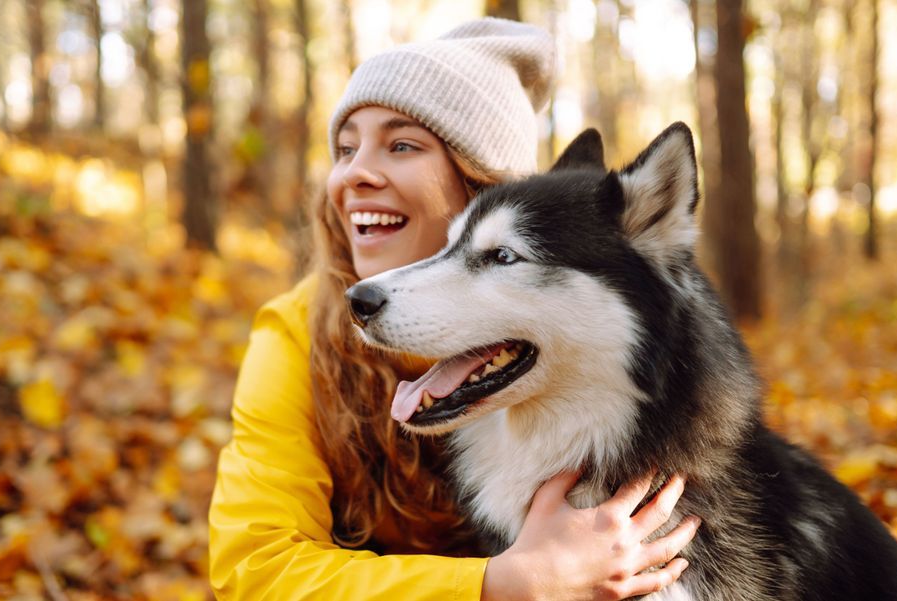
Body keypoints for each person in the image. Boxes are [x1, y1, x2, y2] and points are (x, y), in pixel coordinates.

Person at [208, 17, 700, 600]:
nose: (353, 174)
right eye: (345, 148)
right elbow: (256, 567)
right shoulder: (295, 331)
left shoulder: (562, 339)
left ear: (482, 184)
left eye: (401, 145)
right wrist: (502, 584)